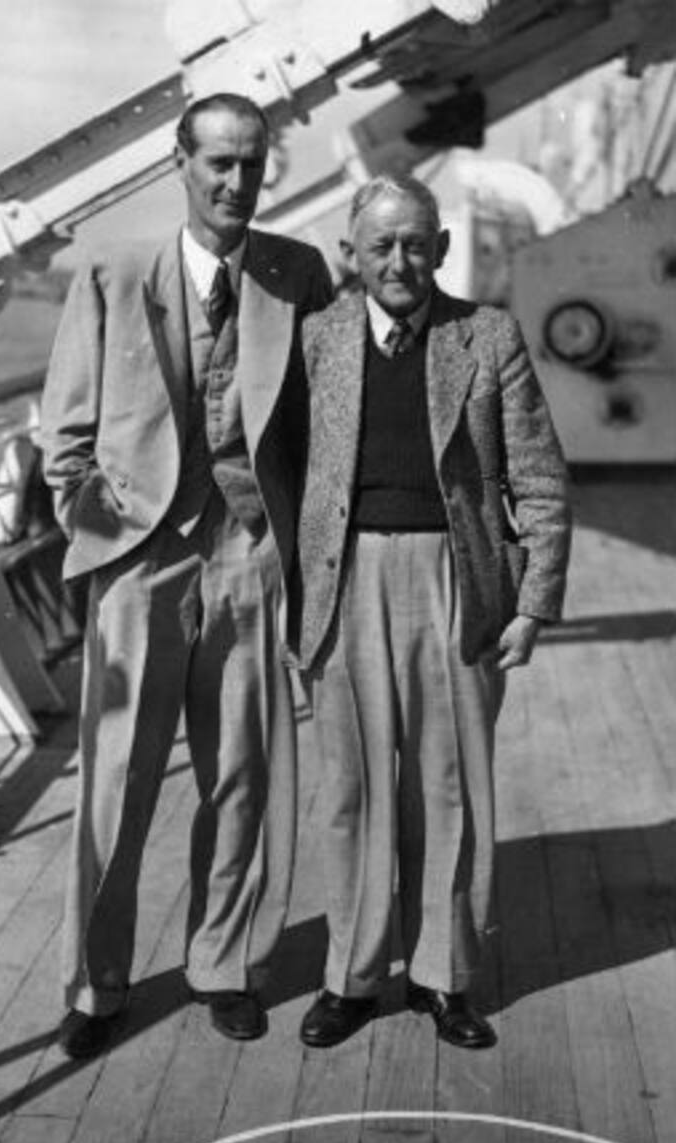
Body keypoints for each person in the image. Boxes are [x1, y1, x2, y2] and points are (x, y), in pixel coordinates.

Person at [40, 92, 332, 1059]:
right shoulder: (114, 271)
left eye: (251, 163)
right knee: (117, 783)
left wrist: (292, 544)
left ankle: (226, 965)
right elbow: (65, 437)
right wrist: (105, 537)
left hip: (251, 550)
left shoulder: (298, 272)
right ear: (181, 162)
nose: (236, 181)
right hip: (140, 559)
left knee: (244, 771)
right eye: (218, 162)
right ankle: (98, 983)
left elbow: (322, 422)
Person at [291, 175, 571, 1050]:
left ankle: (442, 976)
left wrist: (534, 602)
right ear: (352, 254)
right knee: (351, 791)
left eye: (416, 243)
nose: (400, 261)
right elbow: (274, 466)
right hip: (346, 582)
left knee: (448, 785)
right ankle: (351, 976)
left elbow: (539, 476)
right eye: (381, 245)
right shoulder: (317, 339)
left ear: (441, 248)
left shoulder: (488, 336)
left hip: (456, 582)